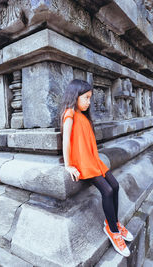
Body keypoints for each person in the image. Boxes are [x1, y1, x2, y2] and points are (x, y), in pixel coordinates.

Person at [60, 79, 133, 257]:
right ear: (75, 96)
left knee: (115, 186)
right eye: (86, 97)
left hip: (93, 160)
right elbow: (66, 140)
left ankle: (112, 223)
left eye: (90, 98)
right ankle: (113, 232)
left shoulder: (83, 116)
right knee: (107, 191)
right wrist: (69, 165)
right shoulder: (69, 113)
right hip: (83, 162)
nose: (89, 101)